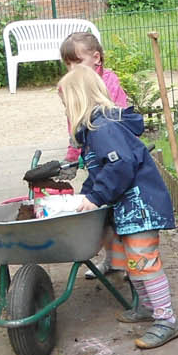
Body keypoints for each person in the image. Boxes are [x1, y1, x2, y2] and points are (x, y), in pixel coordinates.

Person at [60, 65, 178, 349]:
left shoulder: (104, 129)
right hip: (128, 209)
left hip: (141, 207)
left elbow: (120, 164)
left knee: (144, 262)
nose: (65, 111)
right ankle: (147, 308)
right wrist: (86, 195)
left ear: (78, 101)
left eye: (66, 104)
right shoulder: (95, 133)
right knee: (133, 263)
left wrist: (95, 197)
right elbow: (99, 173)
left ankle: (167, 320)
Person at [60, 31, 131, 278]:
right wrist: (71, 157)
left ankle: (135, 265)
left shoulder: (108, 81)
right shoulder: (71, 87)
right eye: (67, 63)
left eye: (77, 62)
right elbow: (74, 125)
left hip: (115, 159)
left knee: (121, 216)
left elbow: (120, 119)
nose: (72, 68)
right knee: (101, 214)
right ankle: (112, 261)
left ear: (96, 58)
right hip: (96, 161)